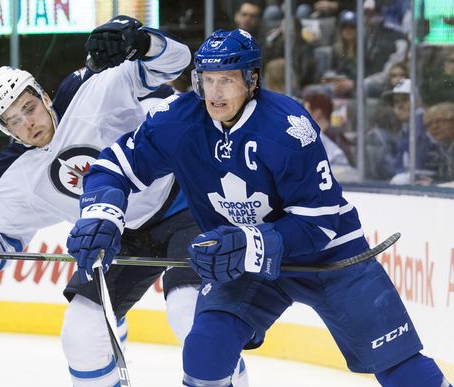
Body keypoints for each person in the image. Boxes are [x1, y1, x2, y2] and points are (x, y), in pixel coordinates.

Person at [68, 29, 452, 387]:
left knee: (400, 367)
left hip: (330, 259)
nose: (214, 93)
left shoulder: (287, 127)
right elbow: (112, 167)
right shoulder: (178, 120)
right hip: (245, 260)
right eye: (206, 80)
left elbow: (319, 223)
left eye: (227, 80)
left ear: (252, 80)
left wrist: (249, 244)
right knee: (205, 349)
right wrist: (102, 214)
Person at [0, 16, 248, 387]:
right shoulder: (14, 174)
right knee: (81, 333)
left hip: (185, 206)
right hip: (117, 234)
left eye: (29, 108)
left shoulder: (94, 86)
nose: (29, 123)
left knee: (189, 314)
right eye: (13, 121)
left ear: (44, 95)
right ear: (4, 129)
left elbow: (177, 61)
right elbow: (0, 235)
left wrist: (140, 42)